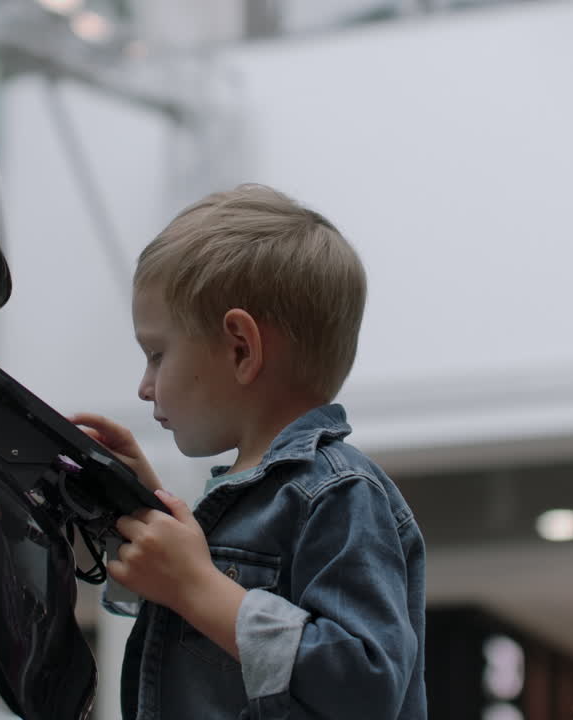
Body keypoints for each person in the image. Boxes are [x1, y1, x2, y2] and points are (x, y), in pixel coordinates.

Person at [71, 183, 428, 720]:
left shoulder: (340, 493)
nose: (145, 387)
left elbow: (365, 683)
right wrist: (147, 507)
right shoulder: (247, 501)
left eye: (156, 354)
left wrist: (196, 586)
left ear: (241, 348)